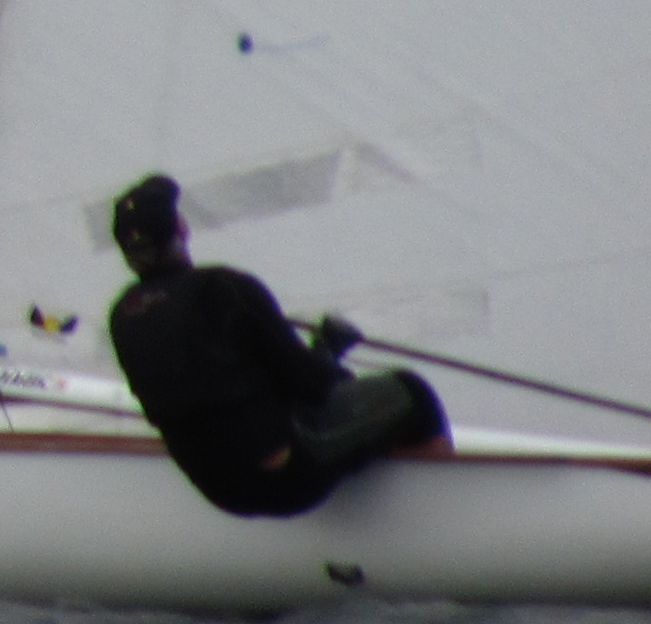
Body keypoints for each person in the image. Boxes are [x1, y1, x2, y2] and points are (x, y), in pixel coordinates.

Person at [104, 172, 449, 516]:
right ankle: (439, 519)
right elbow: (311, 386)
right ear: (181, 229)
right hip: (285, 480)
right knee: (412, 392)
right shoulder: (225, 288)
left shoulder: (121, 316)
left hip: (220, 493)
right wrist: (328, 350)